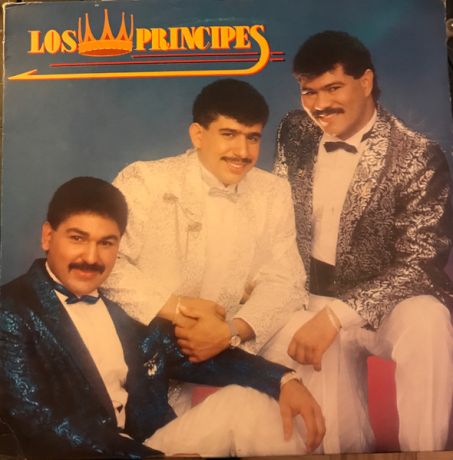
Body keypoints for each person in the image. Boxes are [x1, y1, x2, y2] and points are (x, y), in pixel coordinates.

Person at [0, 176, 325, 459]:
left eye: (106, 243)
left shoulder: (123, 304)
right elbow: (37, 420)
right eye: (77, 238)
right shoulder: (11, 309)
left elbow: (194, 353)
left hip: (150, 444)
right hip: (88, 456)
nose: (91, 257)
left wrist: (285, 380)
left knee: (249, 401)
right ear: (47, 236)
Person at [273, 30, 453, 453]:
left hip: (390, 305)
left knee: (429, 323)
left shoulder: (417, 154)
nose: (320, 104)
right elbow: (276, 216)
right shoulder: (293, 130)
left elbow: (420, 262)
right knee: (336, 439)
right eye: (309, 91)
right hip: (312, 297)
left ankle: (427, 453)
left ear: (366, 82)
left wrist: (337, 315)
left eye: (334, 87)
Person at [103, 80, 306, 370]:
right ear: (198, 135)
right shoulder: (145, 180)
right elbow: (108, 266)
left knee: (304, 327)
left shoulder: (272, 191)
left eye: (252, 138)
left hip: (232, 341)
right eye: (229, 134)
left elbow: (286, 280)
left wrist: (231, 331)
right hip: (149, 342)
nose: (243, 151)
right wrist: (177, 307)